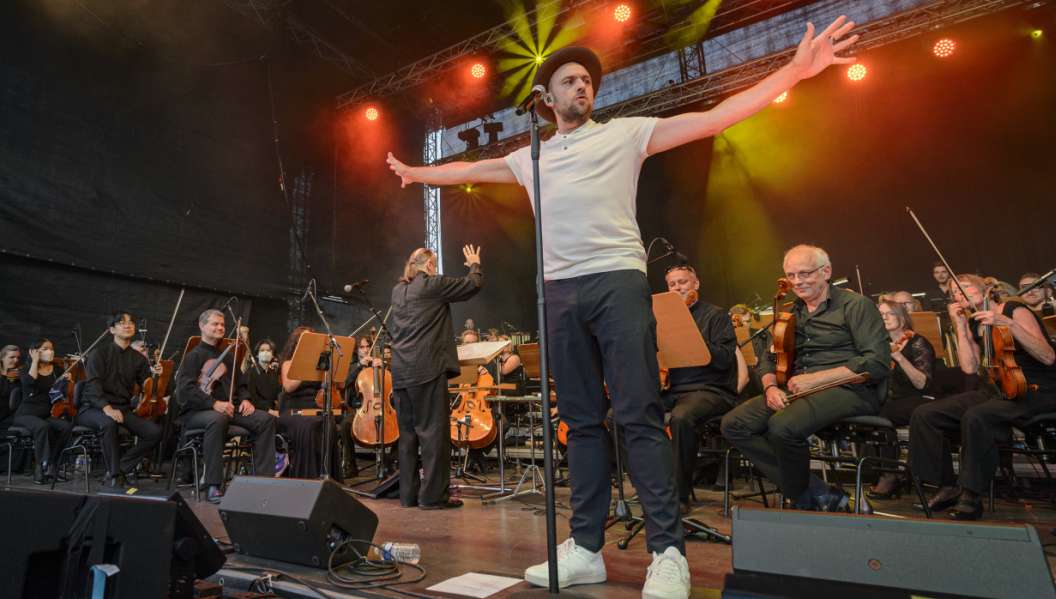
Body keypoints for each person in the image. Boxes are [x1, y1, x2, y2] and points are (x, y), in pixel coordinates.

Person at [387, 16, 859, 597]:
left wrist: (793, 70)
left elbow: (713, 118)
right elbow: (468, 169)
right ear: (546, 98)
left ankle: (667, 552)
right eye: (568, 81)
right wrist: (415, 172)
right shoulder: (530, 158)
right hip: (558, 290)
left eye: (587, 80)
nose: (581, 86)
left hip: (616, 283)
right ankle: (586, 547)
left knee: (637, 414)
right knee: (580, 421)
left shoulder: (626, 134)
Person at [722, 245, 891, 512]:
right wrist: (769, 388)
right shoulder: (791, 311)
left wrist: (816, 379)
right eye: (791, 275)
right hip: (801, 390)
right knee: (734, 424)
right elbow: (769, 358)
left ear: (826, 272)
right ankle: (818, 491)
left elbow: (877, 362)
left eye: (804, 274)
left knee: (783, 426)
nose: (797, 282)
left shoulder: (856, 305)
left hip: (850, 389)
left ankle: (799, 502)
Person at [907, 275, 1056, 520]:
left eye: (966, 287)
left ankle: (971, 495)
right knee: (925, 414)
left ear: (985, 288)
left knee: (977, 416)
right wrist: (959, 325)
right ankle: (947, 486)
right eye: (955, 292)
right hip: (996, 390)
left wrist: (1006, 323)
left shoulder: (1013, 309)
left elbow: (1047, 356)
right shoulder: (974, 322)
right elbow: (969, 368)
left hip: (1033, 390)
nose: (960, 293)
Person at [390, 245, 484, 510]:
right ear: (430, 265)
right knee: (433, 435)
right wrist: (475, 264)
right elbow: (472, 285)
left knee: (408, 437)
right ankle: (433, 497)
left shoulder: (397, 291)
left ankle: (408, 496)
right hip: (427, 369)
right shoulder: (432, 284)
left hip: (401, 373)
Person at [176, 309, 280, 503]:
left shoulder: (230, 358)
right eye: (215, 324)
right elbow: (185, 392)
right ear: (202, 326)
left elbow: (241, 386)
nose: (220, 327)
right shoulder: (193, 356)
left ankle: (264, 481)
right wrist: (213, 403)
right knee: (217, 419)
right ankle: (213, 484)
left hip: (229, 410)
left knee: (266, 420)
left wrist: (246, 400)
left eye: (222, 324)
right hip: (197, 413)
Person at [662, 266, 739, 513]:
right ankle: (651, 487)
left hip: (710, 390)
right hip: (672, 390)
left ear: (695, 284)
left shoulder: (716, 316)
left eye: (682, 282)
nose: (677, 288)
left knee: (682, 418)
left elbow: (724, 360)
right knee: (619, 414)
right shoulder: (662, 318)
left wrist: (689, 334)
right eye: (672, 284)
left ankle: (678, 497)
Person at [78, 311, 164, 487]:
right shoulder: (98, 354)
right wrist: (106, 408)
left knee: (154, 432)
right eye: (121, 322)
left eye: (131, 322)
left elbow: (147, 389)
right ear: (111, 330)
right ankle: (117, 478)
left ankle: (117, 470)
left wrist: (156, 377)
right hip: (92, 408)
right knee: (108, 423)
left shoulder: (139, 358)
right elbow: (93, 387)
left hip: (122, 409)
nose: (128, 325)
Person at [865, 300, 935, 498]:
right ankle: (884, 472)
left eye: (890, 313)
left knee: (882, 415)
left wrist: (899, 357)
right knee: (869, 411)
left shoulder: (918, 342)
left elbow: (923, 384)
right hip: (895, 401)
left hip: (922, 398)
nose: (884, 317)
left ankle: (889, 476)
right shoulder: (879, 345)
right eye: (880, 314)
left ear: (902, 318)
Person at [279, 326, 343, 479]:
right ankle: (307, 476)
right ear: (297, 343)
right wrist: (306, 364)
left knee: (328, 423)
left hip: (317, 409)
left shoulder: (321, 365)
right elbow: (289, 387)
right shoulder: (288, 363)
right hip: (294, 409)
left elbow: (341, 385)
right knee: (309, 424)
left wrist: (334, 366)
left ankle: (328, 476)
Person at [16, 339, 74, 484]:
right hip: (26, 414)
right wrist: (35, 361)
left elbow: (64, 394)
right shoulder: (25, 369)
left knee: (66, 427)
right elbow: (30, 381)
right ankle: (39, 469)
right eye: (46, 348)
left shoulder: (58, 370)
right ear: (35, 351)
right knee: (42, 426)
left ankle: (54, 467)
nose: (50, 351)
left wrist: (68, 381)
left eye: (52, 348)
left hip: (45, 414)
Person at [341, 334, 382, 478]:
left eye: (368, 346)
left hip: (380, 405)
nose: (365, 350)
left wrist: (382, 369)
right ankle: (351, 464)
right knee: (346, 425)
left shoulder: (378, 363)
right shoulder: (352, 366)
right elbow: (344, 383)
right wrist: (359, 366)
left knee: (401, 422)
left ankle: (391, 462)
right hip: (360, 407)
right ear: (357, 350)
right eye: (362, 347)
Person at [248, 338, 281, 412]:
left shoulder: (274, 374)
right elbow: (252, 399)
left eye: (268, 350)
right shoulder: (250, 373)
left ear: (273, 355)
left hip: (273, 409)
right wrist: (270, 411)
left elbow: (277, 394)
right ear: (257, 354)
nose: (265, 352)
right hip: (258, 410)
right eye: (262, 350)